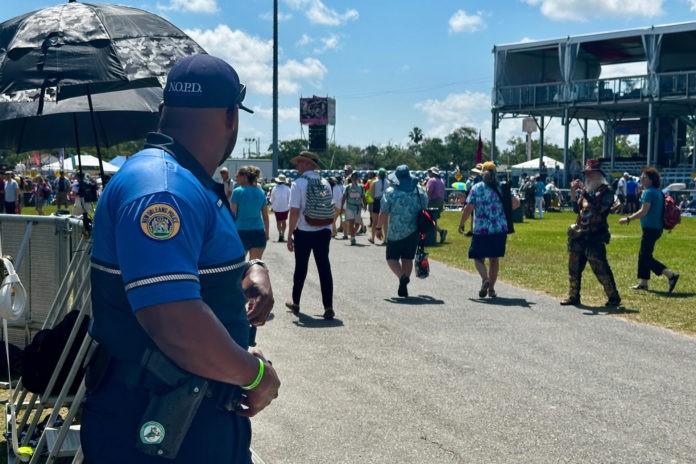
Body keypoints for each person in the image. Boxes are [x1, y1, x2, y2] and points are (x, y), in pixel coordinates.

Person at [82, 53, 280, 464]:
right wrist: (255, 375)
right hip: (157, 423)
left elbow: (192, 269)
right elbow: (174, 320)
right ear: (231, 117)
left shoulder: (181, 180)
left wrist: (248, 271)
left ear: (162, 111)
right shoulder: (165, 186)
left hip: (183, 414)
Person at [561, 159, 621, 307]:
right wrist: (573, 192)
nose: (587, 176)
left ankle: (613, 297)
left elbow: (601, 208)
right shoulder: (586, 191)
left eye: (590, 173)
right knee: (573, 267)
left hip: (595, 235)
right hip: (579, 235)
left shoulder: (606, 191)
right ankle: (573, 296)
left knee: (600, 268)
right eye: (586, 173)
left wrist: (585, 193)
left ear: (598, 175)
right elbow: (576, 209)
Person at [285, 150, 335, 320]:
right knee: (324, 267)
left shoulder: (298, 183)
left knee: (301, 267)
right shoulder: (325, 182)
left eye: (300, 162)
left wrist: (289, 235)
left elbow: (294, 212)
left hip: (304, 230)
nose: (297, 165)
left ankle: (296, 301)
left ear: (308, 164)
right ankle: (328, 306)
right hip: (324, 229)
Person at [457, 162, 519, 298]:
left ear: (482, 173)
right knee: (494, 259)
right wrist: (503, 212)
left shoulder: (477, 188)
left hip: (481, 229)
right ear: (496, 173)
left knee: (477, 257)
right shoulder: (503, 187)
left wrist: (461, 224)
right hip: (499, 228)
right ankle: (491, 289)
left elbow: (468, 208)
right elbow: (516, 203)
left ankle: (485, 278)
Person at [618, 167, 680, 293]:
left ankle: (670, 275)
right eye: (641, 177)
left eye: (644, 177)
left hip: (651, 228)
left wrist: (628, 219)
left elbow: (643, 211)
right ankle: (643, 283)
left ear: (651, 180)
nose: (641, 179)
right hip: (656, 228)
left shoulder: (649, 192)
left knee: (645, 256)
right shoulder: (658, 192)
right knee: (644, 255)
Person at [374, 165, 428, 297]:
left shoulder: (391, 192)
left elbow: (384, 212)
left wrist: (378, 228)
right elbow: (425, 206)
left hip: (395, 231)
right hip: (414, 230)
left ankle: (402, 277)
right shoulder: (419, 190)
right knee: (407, 258)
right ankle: (404, 284)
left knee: (391, 258)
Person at [231, 165, 270, 259]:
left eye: (237, 176)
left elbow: (233, 216)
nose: (236, 178)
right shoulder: (261, 192)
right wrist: (267, 233)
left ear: (244, 177)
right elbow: (265, 216)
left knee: (238, 265)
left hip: (241, 232)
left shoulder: (237, 192)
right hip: (258, 232)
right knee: (255, 264)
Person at [341, 171, 365, 246]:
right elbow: (344, 197)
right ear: (351, 178)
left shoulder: (361, 187)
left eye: (356, 177)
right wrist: (341, 206)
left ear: (358, 178)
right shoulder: (348, 187)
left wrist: (364, 205)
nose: (355, 178)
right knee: (351, 223)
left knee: (357, 224)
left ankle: (352, 234)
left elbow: (363, 196)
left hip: (358, 208)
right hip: (349, 207)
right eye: (353, 177)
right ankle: (352, 238)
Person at [426, 166, 448, 243]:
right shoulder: (441, 181)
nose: (429, 173)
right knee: (432, 219)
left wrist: (425, 201)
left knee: (427, 218)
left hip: (433, 201)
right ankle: (441, 231)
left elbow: (429, 192)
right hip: (440, 202)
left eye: (430, 172)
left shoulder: (431, 180)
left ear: (433, 173)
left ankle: (435, 234)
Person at [369, 168, 388, 244]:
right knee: (385, 222)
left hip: (377, 201)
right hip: (385, 202)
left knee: (375, 221)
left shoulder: (374, 182)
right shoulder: (388, 183)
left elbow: (372, 194)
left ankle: (373, 238)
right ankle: (386, 239)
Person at [269, 174, 291, 242]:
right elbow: (290, 199)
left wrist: (271, 205)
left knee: (278, 222)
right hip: (285, 208)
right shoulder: (288, 188)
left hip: (277, 207)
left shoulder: (275, 188)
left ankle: (280, 234)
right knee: (284, 221)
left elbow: (272, 199)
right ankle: (283, 234)